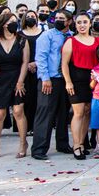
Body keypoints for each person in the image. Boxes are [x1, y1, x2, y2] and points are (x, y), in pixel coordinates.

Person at [0, 13, 30, 159]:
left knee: (18, 111)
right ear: (3, 24)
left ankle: (23, 143)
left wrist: (20, 81)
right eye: (12, 21)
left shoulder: (22, 40)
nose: (15, 24)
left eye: (16, 21)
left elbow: (25, 62)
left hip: (17, 77)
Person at [31, 10, 73, 160]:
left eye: (62, 18)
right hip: (50, 79)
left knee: (63, 113)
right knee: (45, 113)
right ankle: (39, 148)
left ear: (69, 21)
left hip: (65, 80)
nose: (59, 20)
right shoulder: (47, 35)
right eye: (57, 18)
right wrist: (45, 78)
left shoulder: (72, 36)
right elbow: (41, 57)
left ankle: (62, 144)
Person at [61, 12, 99, 159]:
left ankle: (83, 143)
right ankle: (76, 145)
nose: (82, 25)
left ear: (90, 23)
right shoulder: (71, 41)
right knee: (78, 112)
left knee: (87, 111)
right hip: (76, 80)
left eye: (85, 22)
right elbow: (64, 64)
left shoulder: (98, 41)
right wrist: (68, 81)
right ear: (75, 24)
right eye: (79, 22)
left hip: (92, 80)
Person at [19, 11, 42, 135]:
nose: (30, 18)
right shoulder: (19, 34)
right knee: (25, 97)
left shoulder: (43, 34)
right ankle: (24, 127)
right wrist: (26, 64)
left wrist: (35, 63)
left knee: (36, 98)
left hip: (39, 68)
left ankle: (35, 126)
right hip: (23, 69)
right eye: (28, 17)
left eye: (33, 17)